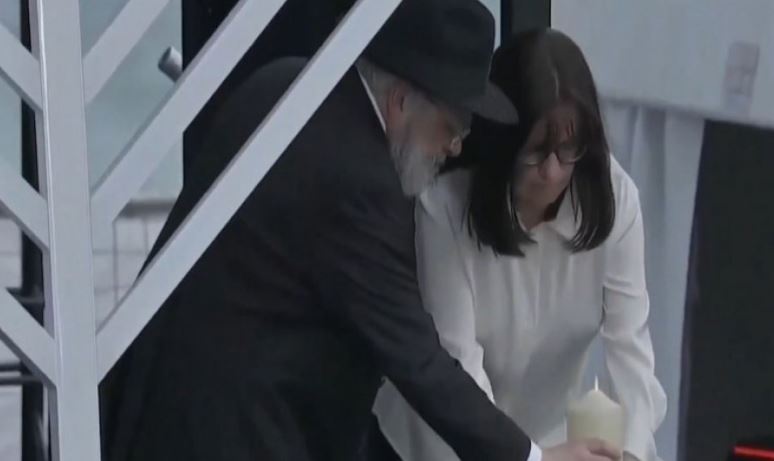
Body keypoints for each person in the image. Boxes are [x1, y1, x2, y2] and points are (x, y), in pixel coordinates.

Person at [99, 2, 621, 461]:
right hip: (235, 435)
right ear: (401, 102)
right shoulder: (359, 182)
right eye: (451, 125)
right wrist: (533, 458)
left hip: (157, 409)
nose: (456, 146)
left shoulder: (283, 86)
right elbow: (416, 357)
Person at [373, 28, 667, 461]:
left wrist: (632, 453)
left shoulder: (615, 199)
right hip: (433, 444)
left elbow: (631, 353)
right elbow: (458, 364)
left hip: (540, 443)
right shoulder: (444, 207)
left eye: (568, 149)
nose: (551, 172)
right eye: (535, 151)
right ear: (502, 143)